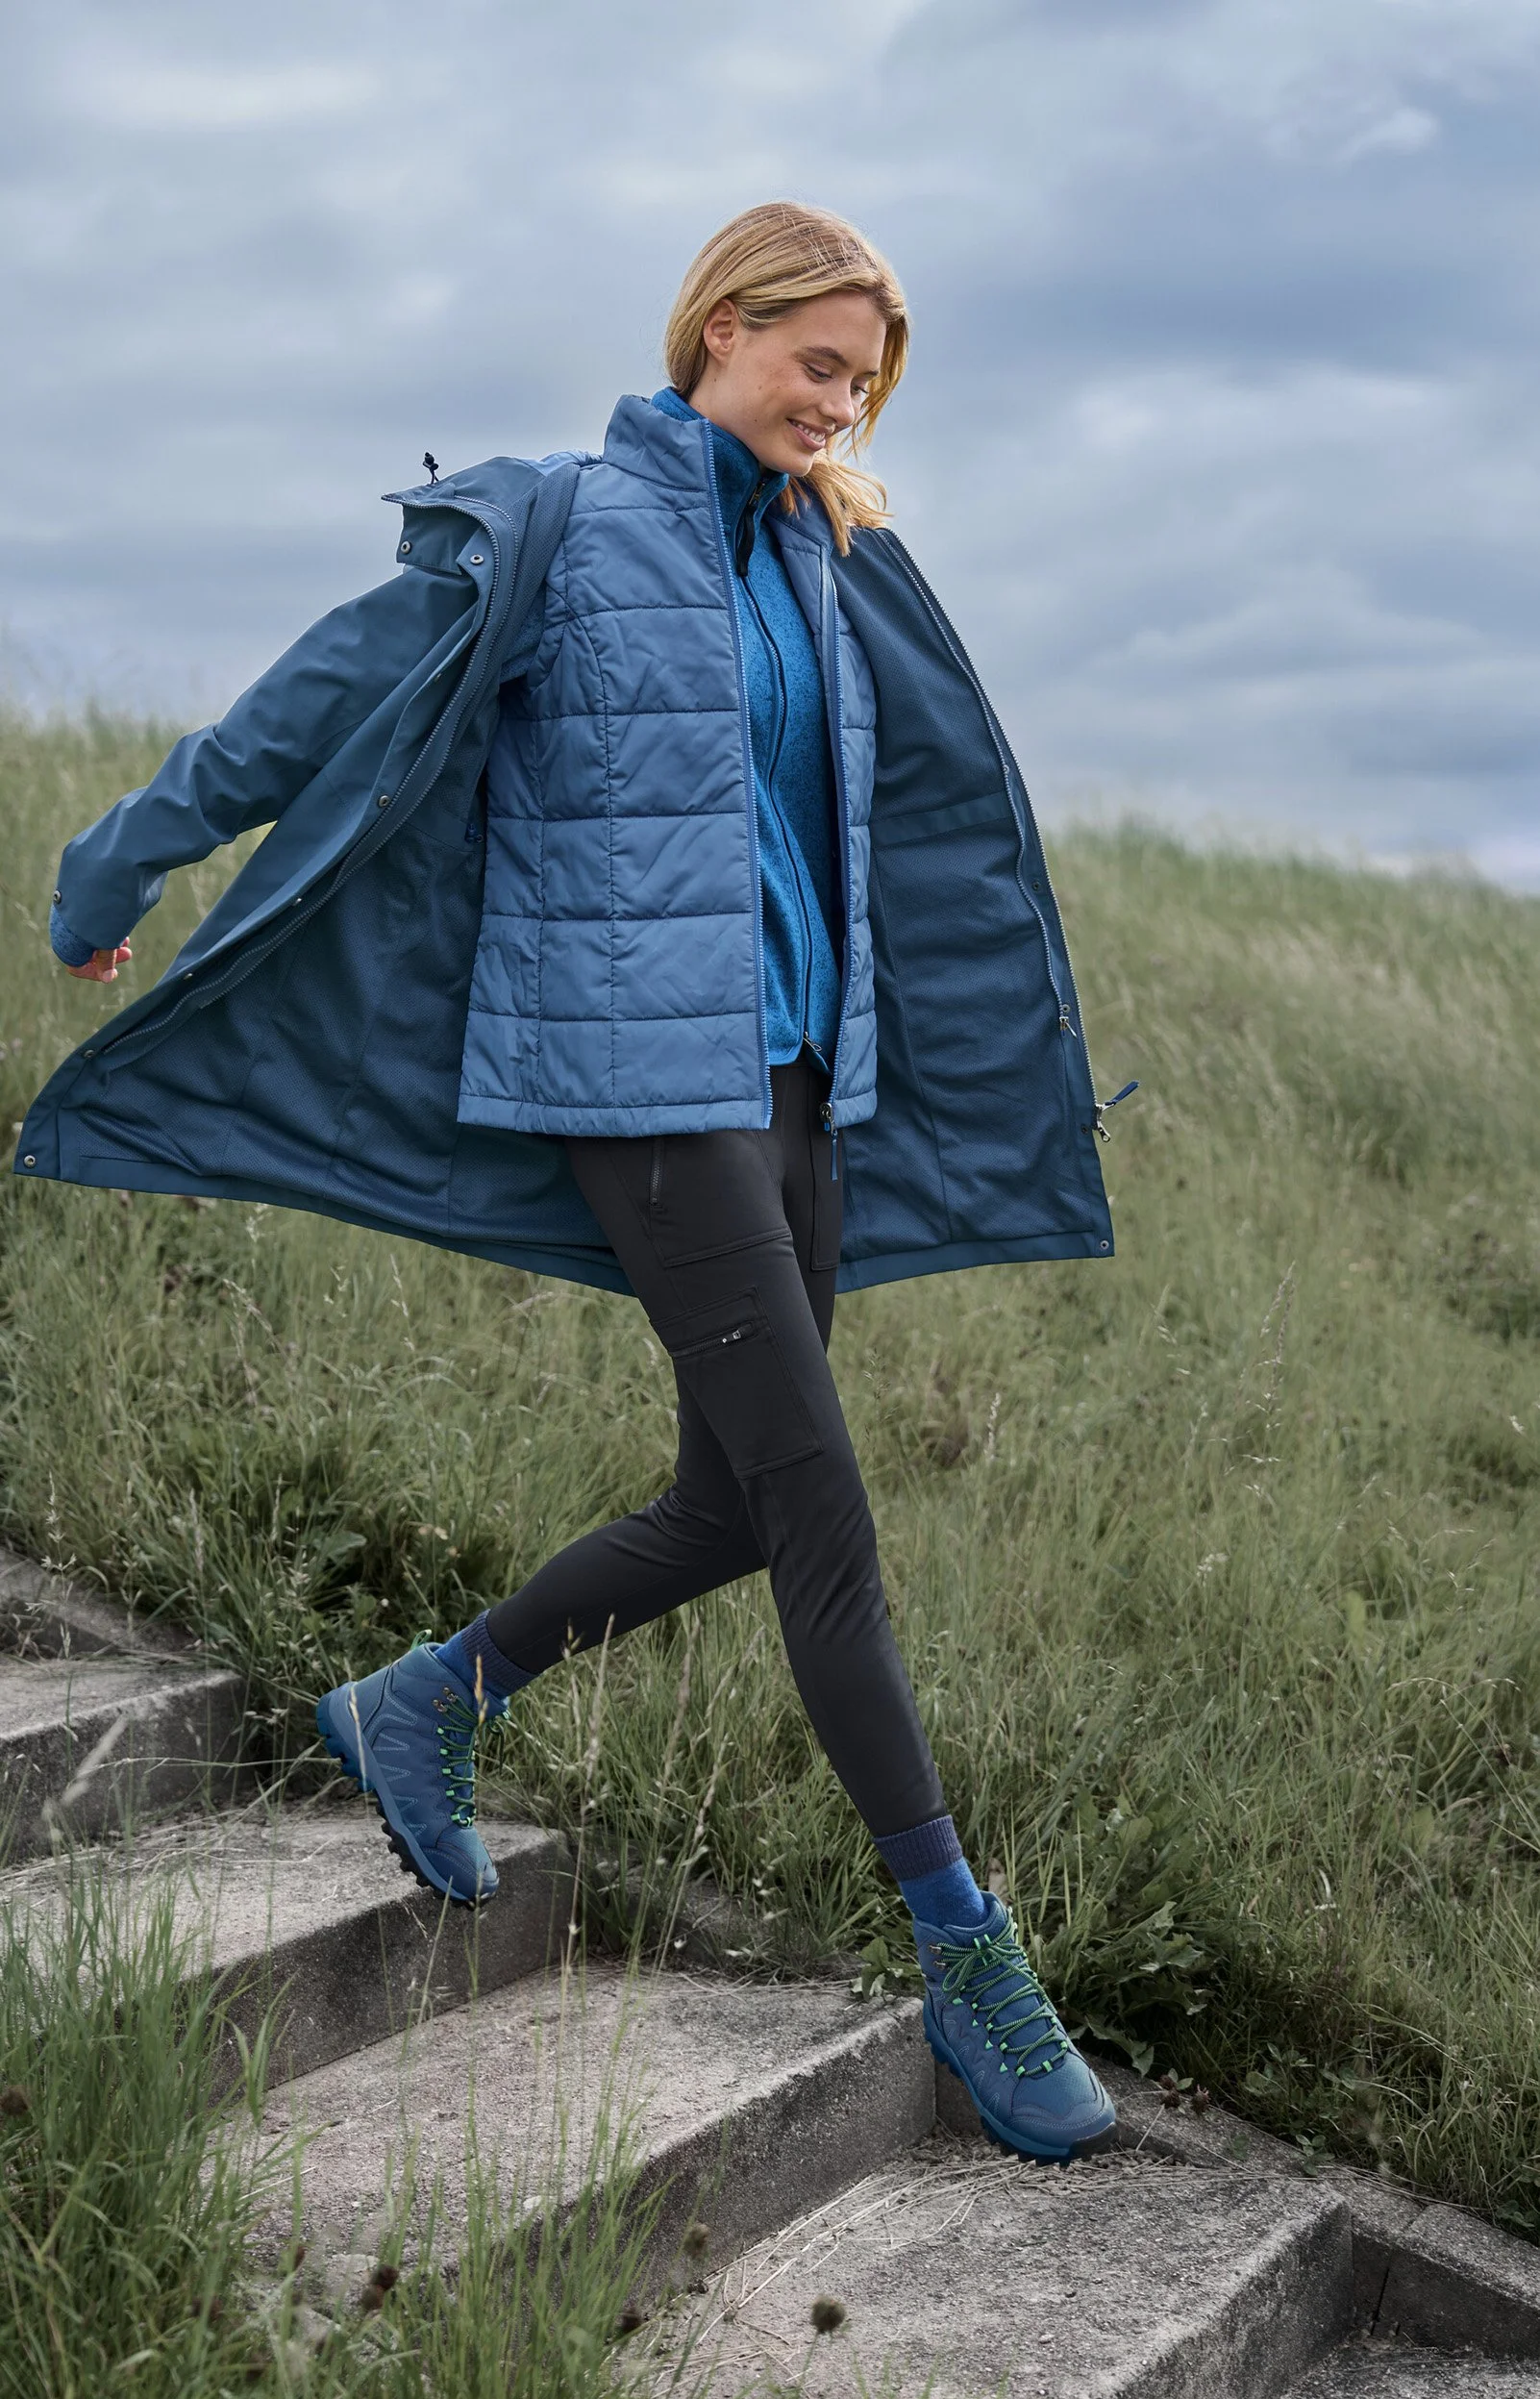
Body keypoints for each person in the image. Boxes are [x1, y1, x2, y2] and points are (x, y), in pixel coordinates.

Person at [25, 203, 1117, 2162]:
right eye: (818, 360)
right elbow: (318, 699)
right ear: (721, 326)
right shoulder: (556, 525)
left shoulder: (824, 553)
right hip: (634, 1077)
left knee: (730, 1492)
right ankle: (966, 1947)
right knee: (819, 1501)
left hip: (792, 1084)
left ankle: (432, 1692)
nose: (843, 398)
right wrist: (119, 858)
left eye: (867, 376)